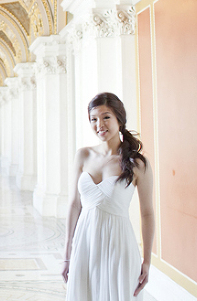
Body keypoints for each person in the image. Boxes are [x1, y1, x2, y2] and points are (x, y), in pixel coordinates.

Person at [62, 92, 155, 300]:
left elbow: (147, 213)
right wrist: (67, 254)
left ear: (119, 120)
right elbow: (74, 205)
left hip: (119, 244)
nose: (99, 124)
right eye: (93, 119)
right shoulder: (83, 155)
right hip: (85, 242)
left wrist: (147, 260)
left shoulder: (138, 164)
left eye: (106, 117)